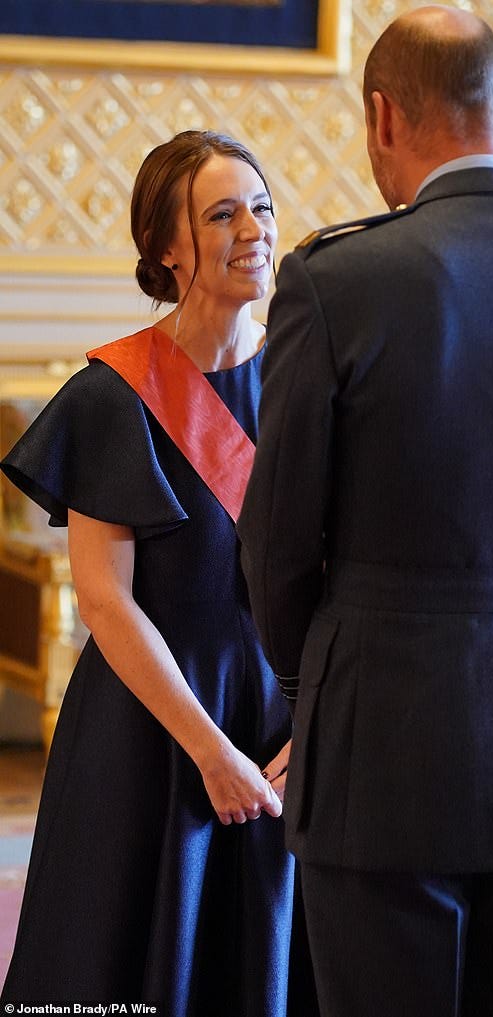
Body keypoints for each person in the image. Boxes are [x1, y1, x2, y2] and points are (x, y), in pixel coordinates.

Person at [237, 7, 493, 1017]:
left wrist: (312, 678)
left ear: (381, 116)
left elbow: (277, 541)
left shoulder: (337, 282)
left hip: (380, 738)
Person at [1, 130, 314, 1016]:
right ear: (166, 247)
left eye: (261, 206)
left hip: (283, 729)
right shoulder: (114, 394)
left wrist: (322, 721)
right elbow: (103, 596)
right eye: (222, 213)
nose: (252, 228)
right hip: (150, 727)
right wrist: (211, 751)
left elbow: (351, 576)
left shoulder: (312, 381)